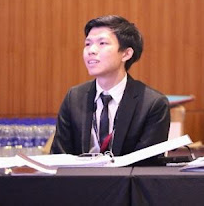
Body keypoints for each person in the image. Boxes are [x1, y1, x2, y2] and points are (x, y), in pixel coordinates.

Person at [51, 15, 170, 157]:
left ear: (126, 54)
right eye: (88, 44)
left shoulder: (152, 104)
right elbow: (59, 155)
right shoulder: (74, 97)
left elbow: (148, 164)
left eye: (102, 43)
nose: (91, 50)